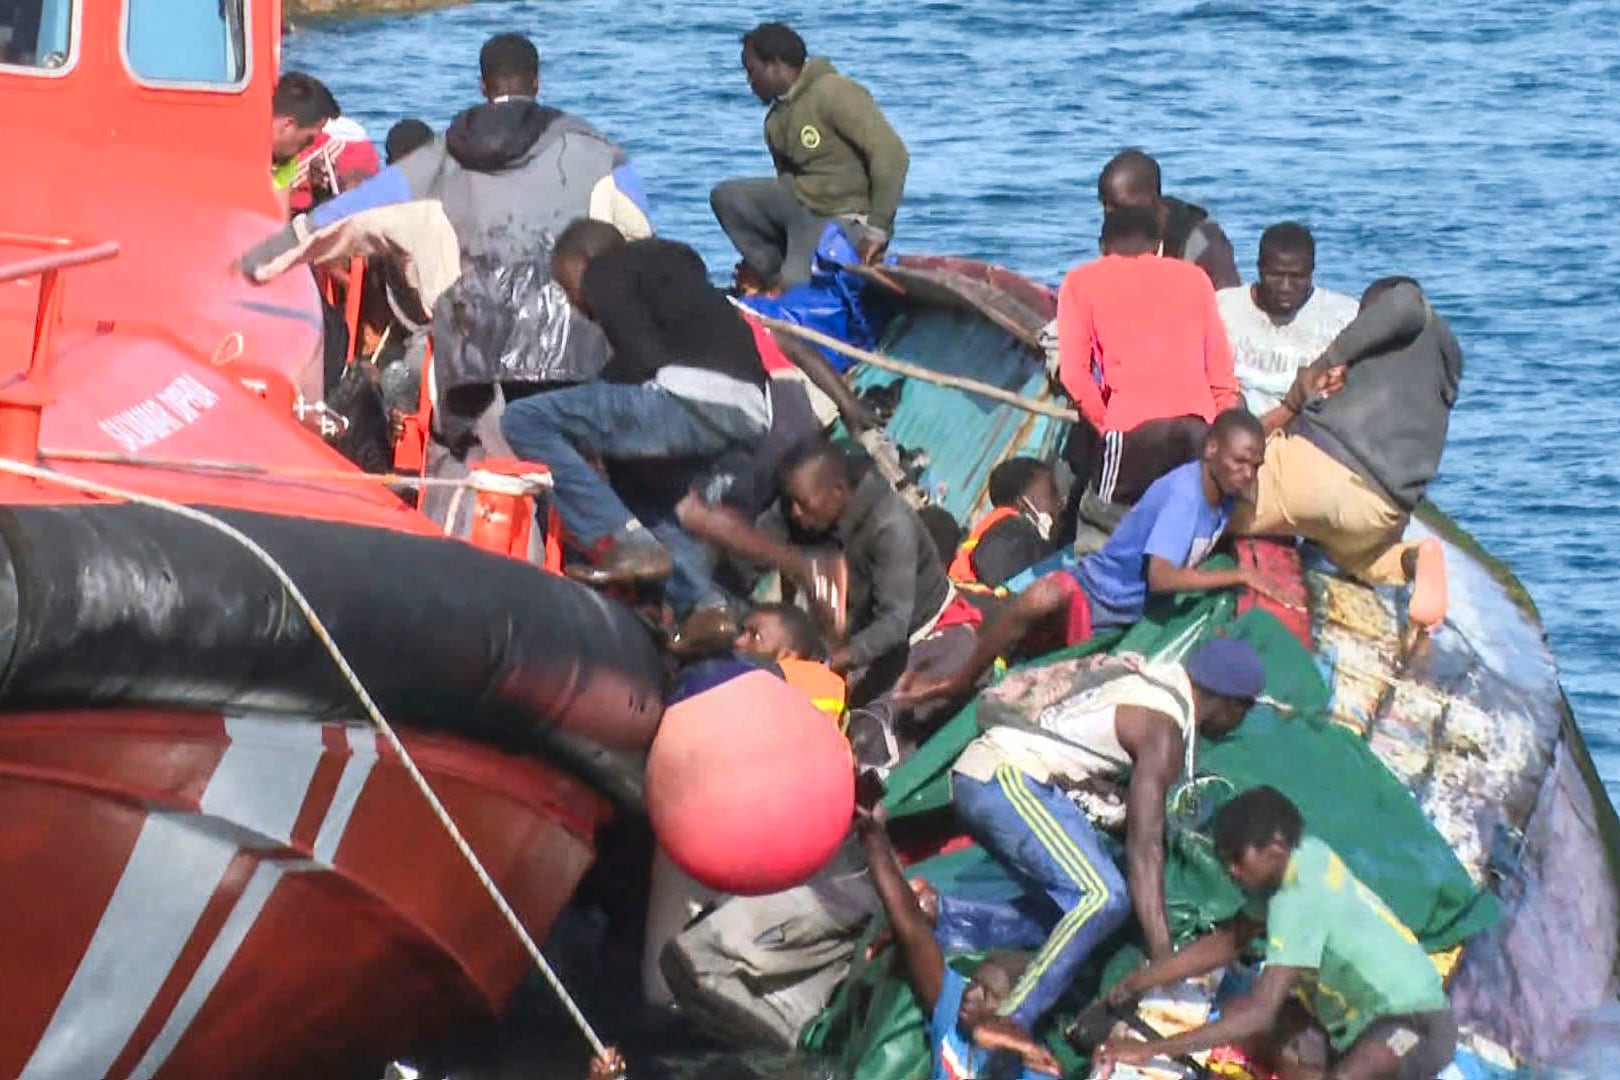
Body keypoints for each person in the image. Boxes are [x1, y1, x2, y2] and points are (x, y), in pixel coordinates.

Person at [241, 32, 653, 499]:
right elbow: (640, 236)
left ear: (483, 86)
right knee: (569, 463)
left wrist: (258, 262)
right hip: (572, 346)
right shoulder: (599, 152)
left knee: (478, 465)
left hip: (473, 355)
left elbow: (346, 216)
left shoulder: (438, 159)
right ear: (537, 83)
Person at [945, 638, 1264, 1039]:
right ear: (1231, 703)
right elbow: (1145, 849)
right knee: (1102, 897)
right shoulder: (1163, 728)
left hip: (999, 778)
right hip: (1008, 777)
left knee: (1070, 919)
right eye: (1245, 711)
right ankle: (1011, 1020)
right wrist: (1164, 960)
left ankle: (941, 917)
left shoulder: (1153, 681)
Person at [902, 410, 1290, 707]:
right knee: (1041, 598)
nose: (1248, 474)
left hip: (1129, 611)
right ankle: (955, 682)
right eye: (1240, 463)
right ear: (1211, 450)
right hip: (1099, 599)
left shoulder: (1224, 486)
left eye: (1255, 466)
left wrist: (1292, 404)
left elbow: (1248, 439)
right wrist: (1241, 576)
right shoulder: (1185, 499)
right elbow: (1162, 578)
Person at [1095, 786, 1457, 1080]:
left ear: (1275, 848)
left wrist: (1148, 1050)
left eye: (1238, 858)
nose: (1232, 871)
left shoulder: (1298, 897)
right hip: (1350, 1025)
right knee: (1252, 1023)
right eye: (1226, 861)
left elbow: (1260, 1012)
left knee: (1346, 1072)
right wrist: (1140, 980)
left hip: (1417, 1024)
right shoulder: (1302, 857)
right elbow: (1228, 941)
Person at [499, 220, 769, 614]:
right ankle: (704, 609)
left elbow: (641, 360)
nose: (573, 305)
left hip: (691, 400)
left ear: (581, 262)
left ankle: (623, 541)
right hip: (750, 414)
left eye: (566, 288)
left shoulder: (605, 270)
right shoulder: (677, 274)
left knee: (524, 419)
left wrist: (585, 423)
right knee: (634, 480)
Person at [677, 439, 982, 765]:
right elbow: (756, 547)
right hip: (854, 624)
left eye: (803, 505)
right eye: (791, 503)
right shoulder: (802, 502)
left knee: (864, 733)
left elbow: (893, 624)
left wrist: (830, 663)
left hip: (915, 633)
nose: (795, 512)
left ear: (837, 492)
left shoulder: (891, 528)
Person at [1233, 277, 1459, 632]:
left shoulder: (1409, 306)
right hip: (1379, 510)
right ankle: (1414, 558)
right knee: (1370, 561)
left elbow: (1404, 303)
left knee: (1216, 503)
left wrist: (1324, 364)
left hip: (1317, 468)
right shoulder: (1446, 364)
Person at [855, 777, 1062, 1078]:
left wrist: (1011, 1045)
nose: (972, 993)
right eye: (974, 982)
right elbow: (911, 927)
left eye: (988, 994)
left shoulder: (1036, 1070)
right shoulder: (955, 1019)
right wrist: (872, 833)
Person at [1058, 207, 1241, 507]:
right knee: (1190, 516)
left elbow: (1074, 375)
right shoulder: (1195, 278)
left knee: (1107, 519)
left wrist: (1106, 425)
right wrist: (1218, 427)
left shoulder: (1080, 282)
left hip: (1131, 429)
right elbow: (1220, 370)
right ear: (1160, 246)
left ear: (1102, 247)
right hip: (1197, 426)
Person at [711, 22, 909, 289]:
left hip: (843, 217)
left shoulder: (834, 92)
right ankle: (769, 276)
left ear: (775, 64)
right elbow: (783, 182)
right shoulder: (775, 121)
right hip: (801, 209)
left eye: (751, 71)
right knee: (727, 197)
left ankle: (790, 283)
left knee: (795, 286)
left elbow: (892, 155)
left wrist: (877, 231)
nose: (749, 81)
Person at [1217, 222, 1359, 415]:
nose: (1285, 287)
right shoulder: (1222, 308)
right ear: (1259, 269)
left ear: (1311, 271)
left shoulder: (1344, 317)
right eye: (1276, 275)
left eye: (1297, 277)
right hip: (1237, 423)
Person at [1097, 148, 1240, 289]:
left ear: (1153, 202)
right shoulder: (1117, 239)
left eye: (1120, 208)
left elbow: (1226, 298)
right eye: (1105, 206)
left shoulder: (1202, 242)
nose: (1110, 218)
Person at [949, 457, 1062, 591]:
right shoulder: (1014, 534)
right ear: (1023, 503)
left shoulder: (994, 528)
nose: (1060, 501)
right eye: (1052, 493)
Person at [735, 602, 847, 724]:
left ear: (789, 654)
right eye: (741, 632)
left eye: (756, 637)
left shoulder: (785, 676)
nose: (738, 641)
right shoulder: (834, 684)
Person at [269, 72, 329, 191]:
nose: (309, 146)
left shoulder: (287, 160)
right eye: (308, 139)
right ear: (288, 125)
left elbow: (279, 200)